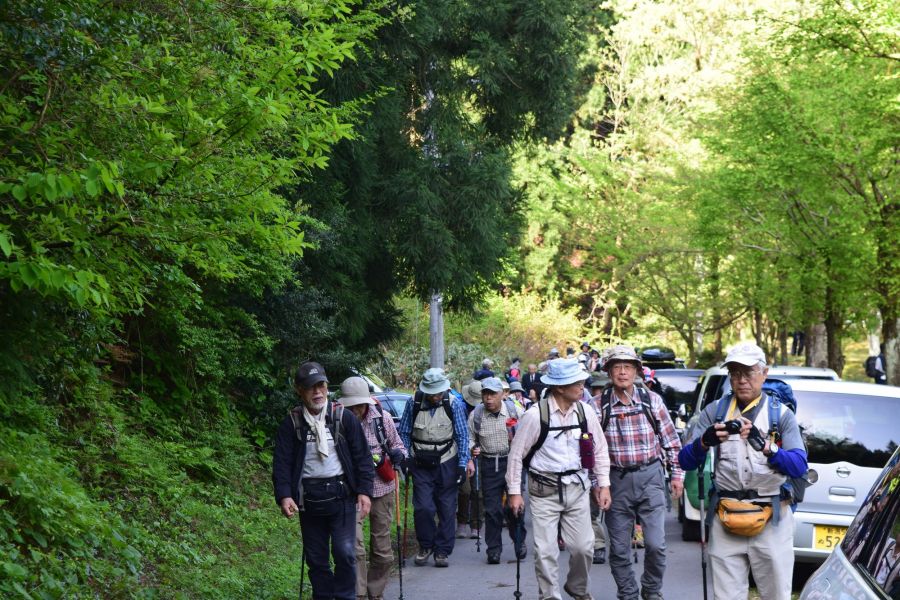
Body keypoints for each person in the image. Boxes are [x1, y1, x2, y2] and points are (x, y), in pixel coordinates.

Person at [678, 342, 808, 600]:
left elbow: (799, 465)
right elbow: (685, 461)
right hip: (726, 516)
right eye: (735, 373)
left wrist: (767, 447)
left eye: (748, 373)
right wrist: (704, 442)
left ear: (764, 373)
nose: (741, 380)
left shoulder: (780, 415)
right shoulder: (714, 412)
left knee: (776, 596)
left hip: (772, 517)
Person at [506, 358, 611, 600]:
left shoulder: (586, 412)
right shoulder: (535, 416)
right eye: (576, 382)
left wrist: (603, 484)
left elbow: (600, 450)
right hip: (544, 490)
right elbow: (515, 456)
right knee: (545, 551)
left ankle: (578, 588)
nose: (582, 385)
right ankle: (550, 596)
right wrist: (514, 492)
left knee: (584, 548)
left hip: (577, 489)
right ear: (560, 387)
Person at [272, 361, 374, 600]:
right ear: (299, 390)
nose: (317, 392)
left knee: (346, 553)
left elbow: (363, 458)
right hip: (309, 500)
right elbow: (282, 464)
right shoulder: (291, 424)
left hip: (342, 497)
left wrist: (364, 491)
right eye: (311, 387)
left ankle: (346, 597)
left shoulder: (343, 418)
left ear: (327, 387)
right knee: (316, 560)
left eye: (321, 386)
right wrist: (285, 495)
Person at [597, 345, 683, 600]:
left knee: (656, 545)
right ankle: (628, 594)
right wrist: (598, 485)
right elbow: (591, 452)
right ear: (609, 371)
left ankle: (652, 591)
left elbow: (671, 441)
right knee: (620, 550)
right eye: (617, 367)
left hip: (651, 477)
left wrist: (677, 475)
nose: (622, 372)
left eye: (628, 367)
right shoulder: (597, 405)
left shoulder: (652, 400)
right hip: (615, 481)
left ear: (636, 370)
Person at [337, 377, 407, 600]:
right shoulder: (337, 421)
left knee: (382, 550)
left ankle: (375, 593)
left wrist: (398, 455)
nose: (356, 410)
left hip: (381, 488)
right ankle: (357, 595)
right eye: (351, 405)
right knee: (354, 548)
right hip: (351, 491)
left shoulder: (382, 418)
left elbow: (399, 446)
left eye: (359, 404)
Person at [398, 367, 470, 568]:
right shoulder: (413, 403)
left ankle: (442, 551)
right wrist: (406, 458)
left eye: (439, 392)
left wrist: (462, 465)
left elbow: (463, 435)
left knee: (447, 508)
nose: (437, 396)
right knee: (423, 507)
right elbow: (403, 432)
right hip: (420, 461)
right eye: (433, 393)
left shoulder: (453, 404)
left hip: (447, 460)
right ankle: (425, 546)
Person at [467, 377, 526, 563]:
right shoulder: (476, 415)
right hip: (488, 463)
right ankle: (493, 549)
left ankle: (519, 542)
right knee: (492, 510)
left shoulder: (515, 411)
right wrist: (472, 449)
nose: (488, 398)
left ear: (502, 394)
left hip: (511, 462)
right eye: (485, 394)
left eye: (493, 394)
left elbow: (528, 433)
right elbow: (468, 438)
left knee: (514, 507)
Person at [456, 381, 484, 540]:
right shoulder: (459, 408)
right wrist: (467, 457)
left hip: (481, 454)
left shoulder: (485, 410)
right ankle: (461, 522)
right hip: (463, 454)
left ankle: (476, 525)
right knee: (464, 490)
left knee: (478, 491)